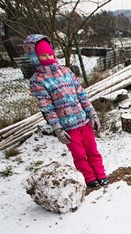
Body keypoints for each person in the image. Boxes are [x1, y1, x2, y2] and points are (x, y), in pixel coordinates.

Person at [24, 34, 108, 188]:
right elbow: (47, 108)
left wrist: (92, 113)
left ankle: (101, 174)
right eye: (43, 55)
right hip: (68, 128)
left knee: (93, 150)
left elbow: (81, 95)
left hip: (84, 121)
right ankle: (89, 178)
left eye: (50, 54)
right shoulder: (38, 81)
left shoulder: (66, 72)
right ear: (35, 57)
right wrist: (57, 128)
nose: (48, 57)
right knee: (80, 155)